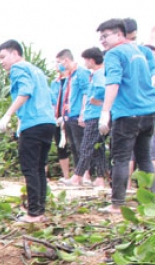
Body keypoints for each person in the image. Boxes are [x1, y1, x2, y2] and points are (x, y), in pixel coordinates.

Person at [97, 18, 155, 214]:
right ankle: (150, 201)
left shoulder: (114, 53)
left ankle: (117, 203)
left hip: (128, 113)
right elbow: (152, 77)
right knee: (144, 158)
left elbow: (113, 82)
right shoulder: (139, 51)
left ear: (119, 34)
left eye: (106, 36)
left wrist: (105, 112)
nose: (103, 41)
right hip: (148, 111)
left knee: (121, 159)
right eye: (101, 38)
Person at [0, 40, 56, 223]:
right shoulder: (36, 70)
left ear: (15, 54)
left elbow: (25, 91)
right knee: (39, 168)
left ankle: (33, 213)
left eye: (3, 57)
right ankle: (39, 210)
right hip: (48, 122)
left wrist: (7, 115)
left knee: (30, 168)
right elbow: (50, 97)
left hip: (34, 123)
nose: (1, 62)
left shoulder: (18, 68)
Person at [67, 48, 108, 189]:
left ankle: (77, 176)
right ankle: (101, 178)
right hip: (94, 114)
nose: (85, 63)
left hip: (95, 115)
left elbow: (102, 89)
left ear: (91, 60)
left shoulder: (99, 74)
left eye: (85, 60)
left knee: (86, 146)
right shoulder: (96, 74)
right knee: (98, 149)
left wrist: (95, 99)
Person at [55, 49, 92, 185]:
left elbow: (86, 93)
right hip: (69, 116)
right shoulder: (70, 76)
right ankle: (78, 175)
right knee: (74, 147)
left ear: (66, 60)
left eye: (59, 62)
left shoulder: (81, 73)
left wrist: (83, 112)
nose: (59, 65)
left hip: (78, 115)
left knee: (82, 146)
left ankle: (86, 175)